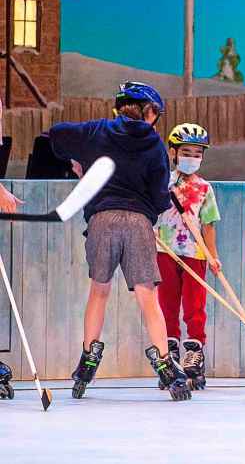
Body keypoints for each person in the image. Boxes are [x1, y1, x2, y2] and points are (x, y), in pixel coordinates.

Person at [49, 81, 191, 401]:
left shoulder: (97, 130)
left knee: (99, 292)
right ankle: (166, 367)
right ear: (148, 111)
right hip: (138, 222)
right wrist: (151, 209)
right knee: (147, 297)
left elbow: (55, 134)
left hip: (102, 220)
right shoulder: (155, 144)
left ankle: (87, 362)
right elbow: (160, 197)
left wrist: (78, 162)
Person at [155, 123, 222, 391]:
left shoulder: (205, 188)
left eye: (197, 154)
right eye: (186, 152)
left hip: (195, 253)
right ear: (173, 152)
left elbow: (209, 224)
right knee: (167, 305)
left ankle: (194, 355)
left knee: (195, 306)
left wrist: (213, 256)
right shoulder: (162, 183)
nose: (191, 158)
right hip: (165, 251)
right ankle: (169, 356)